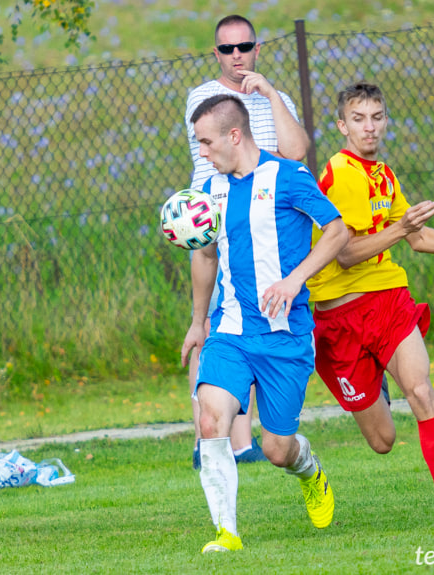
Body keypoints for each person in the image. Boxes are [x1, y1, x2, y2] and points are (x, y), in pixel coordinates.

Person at [307, 82, 434, 529]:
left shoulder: (383, 173)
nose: (370, 127)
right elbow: (345, 253)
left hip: (387, 301)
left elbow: (417, 237)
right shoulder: (341, 174)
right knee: (382, 440)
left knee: (421, 391)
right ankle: (375, 379)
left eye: (377, 117)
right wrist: (400, 228)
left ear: (385, 121)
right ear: (342, 125)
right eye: (359, 119)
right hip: (337, 318)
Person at [181, 95, 347, 552]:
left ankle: (309, 468)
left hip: (285, 336)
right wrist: (198, 322)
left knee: (277, 448)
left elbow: (337, 231)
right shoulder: (211, 191)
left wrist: (295, 280)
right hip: (230, 331)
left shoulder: (289, 177)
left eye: (207, 143)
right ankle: (226, 534)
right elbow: (206, 253)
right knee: (211, 419)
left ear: (235, 135)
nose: (203, 153)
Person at [184, 14, 310, 470]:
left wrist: (270, 94)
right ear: (215, 54)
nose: (237, 56)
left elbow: (295, 153)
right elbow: (214, 154)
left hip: (269, 218)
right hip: (219, 213)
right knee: (219, 325)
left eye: (245, 47)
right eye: (227, 49)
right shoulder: (204, 97)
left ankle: (250, 441)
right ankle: (214, 437)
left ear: (258, 49)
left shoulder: (275, 98)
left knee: (260, 322)